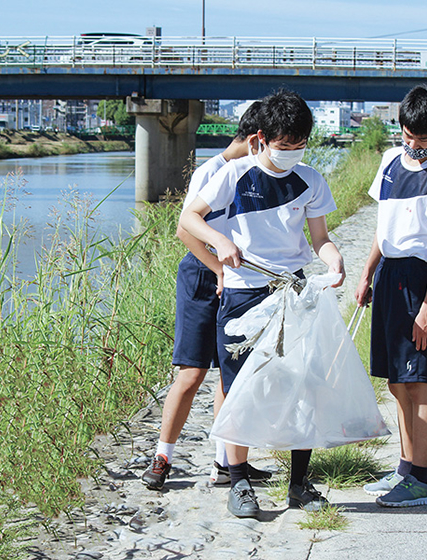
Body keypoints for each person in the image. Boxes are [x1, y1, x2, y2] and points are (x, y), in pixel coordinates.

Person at [180, 89, 346, 518]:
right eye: (284, 146)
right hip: (242, 296)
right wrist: (219, 241)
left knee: (304, 386)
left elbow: (320, 239)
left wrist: (335, 260)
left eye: (300, 145)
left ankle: (299, 484)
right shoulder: (234, 175)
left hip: (292, 293)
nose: (292, 153)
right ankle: (238, 484)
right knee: (240, 391)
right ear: (260, 139)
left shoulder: (311, 180)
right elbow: (189, 218)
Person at [141, 102, 273, 490]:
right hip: (204, 272)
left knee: (231, 373)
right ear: (255, 140)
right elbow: (186, 230)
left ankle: (224, 465)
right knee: (192, 372)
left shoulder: (255, 173)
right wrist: (218, 270)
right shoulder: (212, 170)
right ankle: (163, 455)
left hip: (238, 278)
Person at [355, 84, 427, 507]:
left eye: (424, 138)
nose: (414, 144)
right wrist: (367, 274)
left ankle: (421, 479)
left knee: (418, 381)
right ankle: (404, 467)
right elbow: (382, 228)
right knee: (397, 382)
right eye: (408, 133)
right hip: (387, 275)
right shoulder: (387, 161)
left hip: (418, 281)